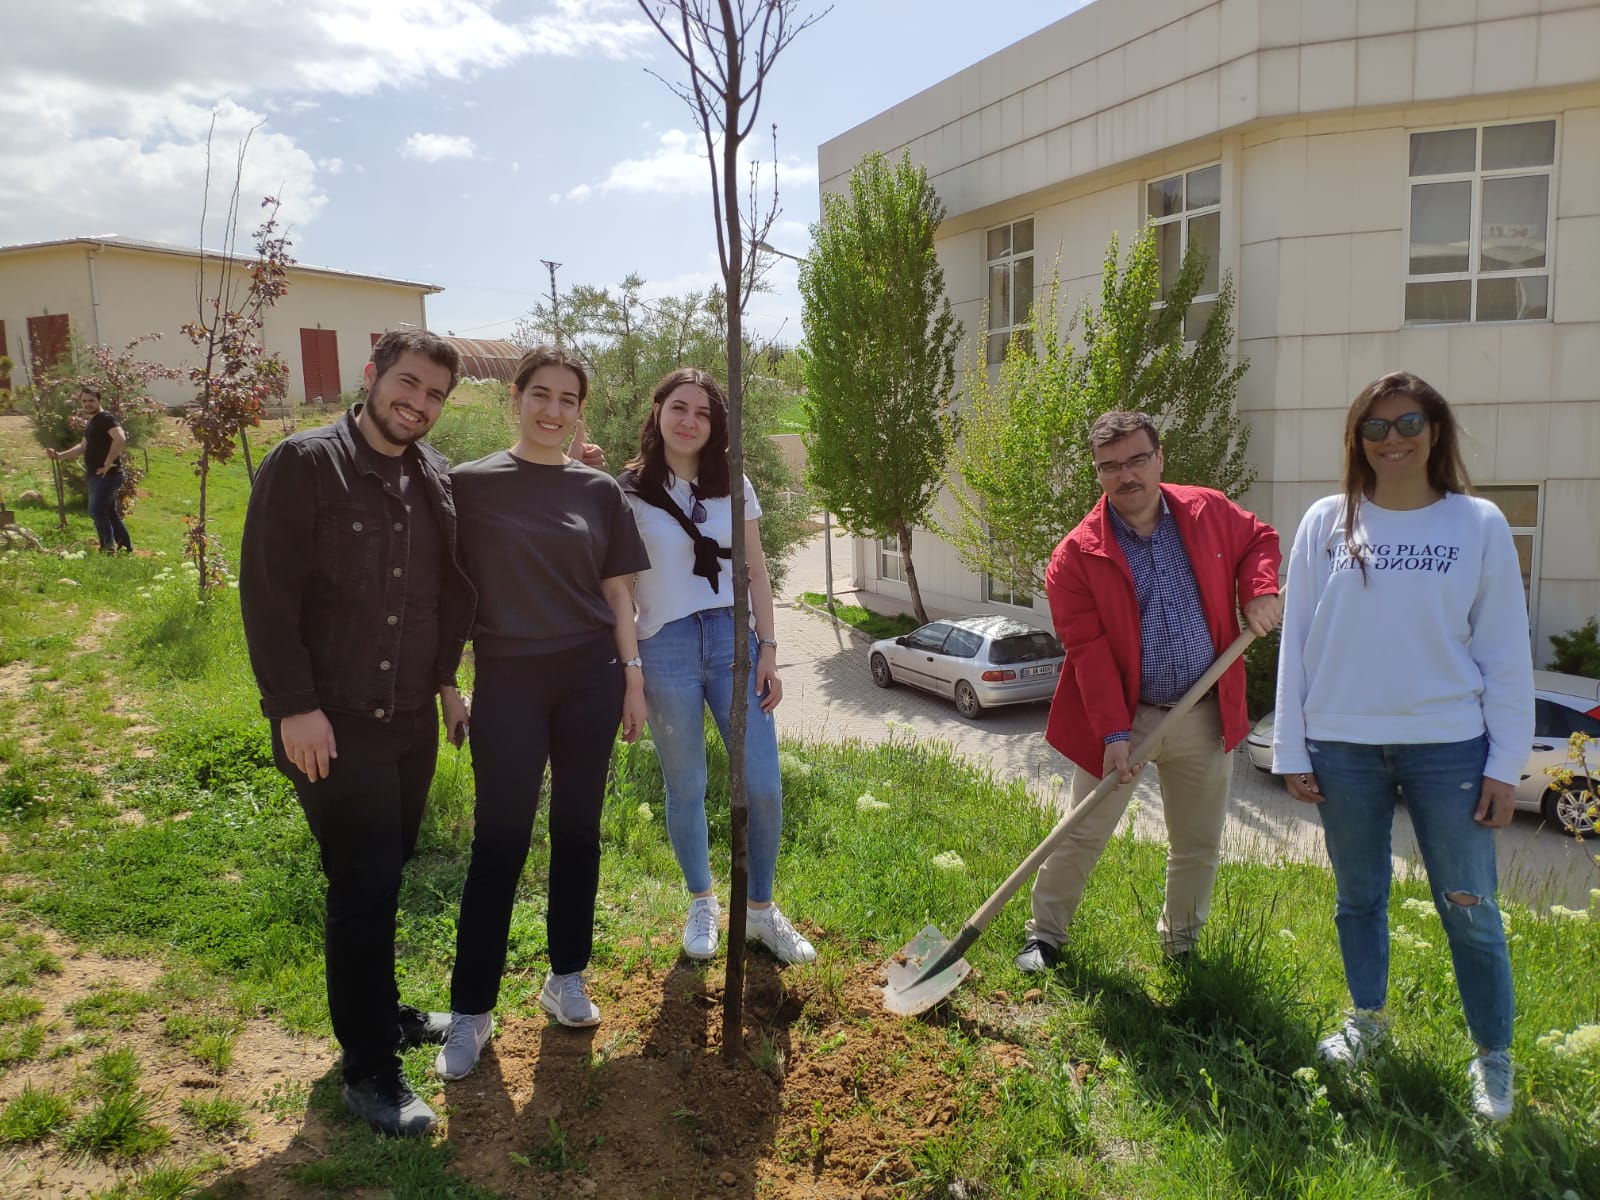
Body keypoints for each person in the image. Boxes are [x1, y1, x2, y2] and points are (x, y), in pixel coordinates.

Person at [1272, 371, 1532, 1123]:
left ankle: (1493, 1056)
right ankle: (1369, 1023)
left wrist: (1504, 763)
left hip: (1449, 747)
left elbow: (1504, 650)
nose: (1394, 439)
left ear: (1435, 430)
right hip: (1342, 745)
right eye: (1376, 427)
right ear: (1357, 440)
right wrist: (1292, 746)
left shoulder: (1477, 523)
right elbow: (1298, 642)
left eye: (1409, 422)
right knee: (1359, 898)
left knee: (1469, 905)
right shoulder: (1327, 521)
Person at [239, 329, 475, 1138]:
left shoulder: (432, 475)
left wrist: (446, 683)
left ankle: (383, 1013)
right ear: (372, 376)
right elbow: (267, 596)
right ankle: (370, 1068)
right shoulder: (304, 464)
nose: (419, 402)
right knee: (363, 882)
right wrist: (293, 706)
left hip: (409, 719)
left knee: (386, 870)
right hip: (333, 723)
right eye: (408, 383)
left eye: (435, 394)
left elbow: (439, 594)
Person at [435, 345, 649, 1081]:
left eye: (568, 400)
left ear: (579, 412)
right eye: (541, 395)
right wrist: (446, 684)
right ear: (516, 399)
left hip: (591, 676)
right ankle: (471, 1010)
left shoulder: (599, 491)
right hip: (509, 678)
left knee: (578, 832)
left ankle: (567, 977)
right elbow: (445, 594)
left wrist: (632, 679)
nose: (553, 411)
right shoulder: (468, 486)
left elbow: (618, 593)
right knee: (499, 841)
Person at [1016, 410, 1283, 973]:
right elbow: (1087, 652)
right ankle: (1044, 936)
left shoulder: (1207, 511)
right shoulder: (1075, 557)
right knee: (1082, 830)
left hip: (1204, 714)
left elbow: (1259, 539)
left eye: (1137, 460)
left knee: (1197, 841)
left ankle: (1180, 945)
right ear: (1098, 474)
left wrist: (1258, 590)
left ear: (1160, 459)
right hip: (1126, 717)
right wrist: (1113, 733)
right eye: (1110, 466)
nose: (1126, 475)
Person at [618, 367, 816, 967]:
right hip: (665, 644)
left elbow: (755, 568)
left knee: (762, 784)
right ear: (658, 412)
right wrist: (630, 670)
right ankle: (702, 901)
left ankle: (760, 910)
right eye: (679, 408)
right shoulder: (628, 491)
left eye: (703, 413)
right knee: (686, 784)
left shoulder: (734, 483)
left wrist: (769, 648)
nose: (689, 421)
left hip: (734, 639)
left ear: (716, 425)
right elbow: (620, 588)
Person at [45, 384, 132, 553]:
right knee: (109, 512)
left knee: (96, 511)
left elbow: (120, 438)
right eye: (84, 401)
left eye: (91, 400)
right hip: (97, 475)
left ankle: (108, 549)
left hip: (107, 475)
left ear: (99, 400)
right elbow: (82, 447)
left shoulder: (106, 418)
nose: (87, 404)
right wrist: (59, 455)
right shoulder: (93, 421)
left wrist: (108, 462)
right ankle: (125, 547)